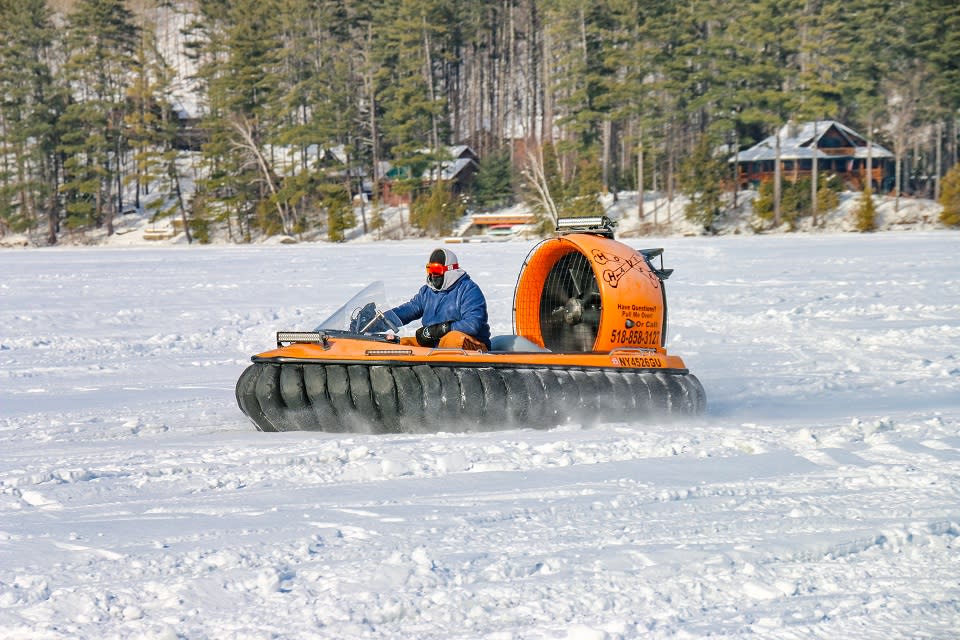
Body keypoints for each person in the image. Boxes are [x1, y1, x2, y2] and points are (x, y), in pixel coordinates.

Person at [387, 248, 491, 351]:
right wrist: (380, 319)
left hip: (473, 345)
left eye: (436, 270)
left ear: (450, 270)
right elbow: (408, 310)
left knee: (453, 338)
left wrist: (440, 329)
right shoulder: (427, 292)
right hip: (436, 345)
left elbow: (472, 324)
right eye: (430, 270)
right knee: (401, 345)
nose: (432, 275)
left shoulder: (468, 290)